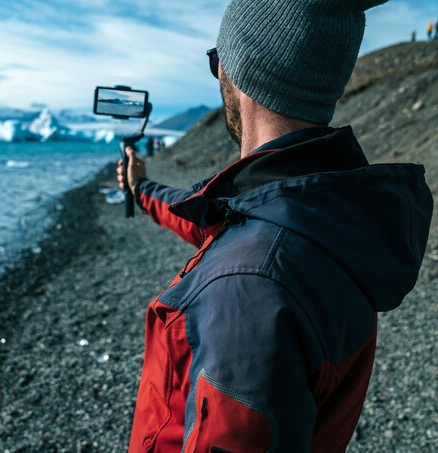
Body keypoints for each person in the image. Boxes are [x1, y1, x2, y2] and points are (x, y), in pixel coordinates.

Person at [117, 0, 433, 451]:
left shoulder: (248, 289)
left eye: (217, 62)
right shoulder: (331, 212)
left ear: (241, 76)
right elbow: (216, 219)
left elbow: (241, 250)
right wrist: (143, 189)